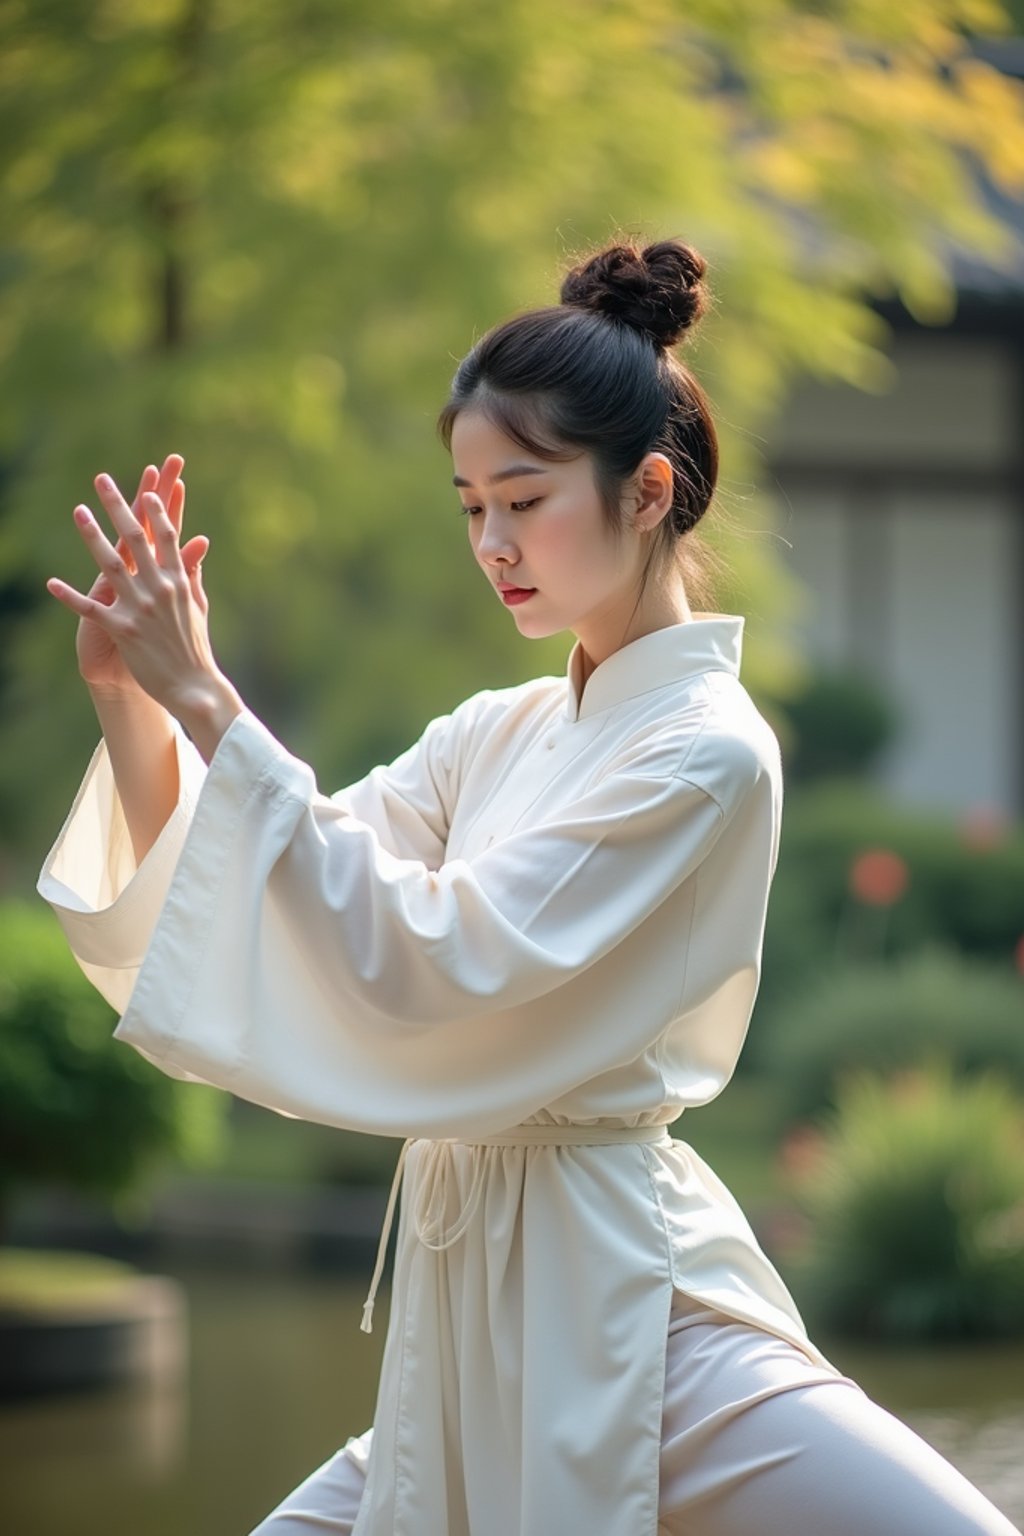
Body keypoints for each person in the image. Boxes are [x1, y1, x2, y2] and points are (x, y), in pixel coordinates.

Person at [37, 238, 1020, 1536]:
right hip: (466, 1294)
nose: (491, 542)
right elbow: (288, 875)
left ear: (648, 488)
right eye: (469, 507)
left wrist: (209, 699)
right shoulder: (494, 731)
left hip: (630, 1297)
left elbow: (435, 954)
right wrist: (137, 708)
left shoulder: (708, 753)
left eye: (523, 497)